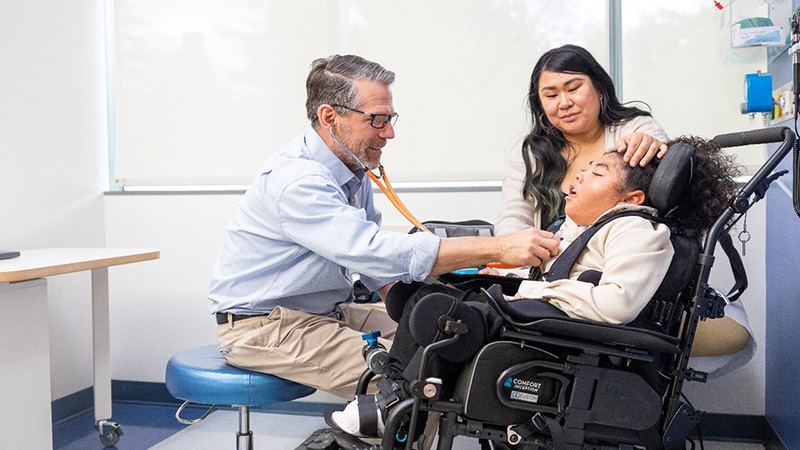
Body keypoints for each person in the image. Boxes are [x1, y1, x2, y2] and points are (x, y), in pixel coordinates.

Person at [329, 136, 740, 439]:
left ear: (629, 197)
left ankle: (398, 409)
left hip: (561, 336)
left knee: (450, 316)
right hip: (542, 320)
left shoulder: (641, 232)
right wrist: (515, 278)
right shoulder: (592, 228)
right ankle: (398, 393)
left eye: (596, 173)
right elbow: (555, 278)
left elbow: (616, 306)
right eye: (582, 170)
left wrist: (536, 293)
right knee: (432, 296)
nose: (579, 177)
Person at [207, 54, 561, 399]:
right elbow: (372, 250)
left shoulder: (350, 168)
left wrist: (428, 309)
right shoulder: (298, 182)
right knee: (418, 377)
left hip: (323, 315)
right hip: (263, 328)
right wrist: (498, 248)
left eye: (391, 118)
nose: (389, 133)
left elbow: (377, 270)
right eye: (377, 120)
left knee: (458, 342)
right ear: (330, 116)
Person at [496, 44, 670, 235]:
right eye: (551, 95)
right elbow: (512, 222)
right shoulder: (530, 153)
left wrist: (652, 146)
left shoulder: (636, 129)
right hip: (549, 263)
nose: (564, 103)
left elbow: (666, 184)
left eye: (573, 88)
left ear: (600, 89)